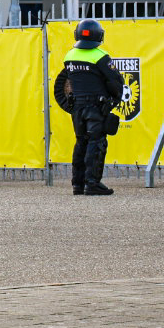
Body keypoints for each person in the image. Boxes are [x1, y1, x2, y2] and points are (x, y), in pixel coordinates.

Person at [53, 19, 125, 197]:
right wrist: (113, 99)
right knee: (96, 143)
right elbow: (116, 82)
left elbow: (65, 81)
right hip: (95, 106)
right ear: (99, 36)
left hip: (77, 107)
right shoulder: (100, 56)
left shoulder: (69, 56)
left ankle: (77, 184)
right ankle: (92, 183)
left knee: (81, 143)